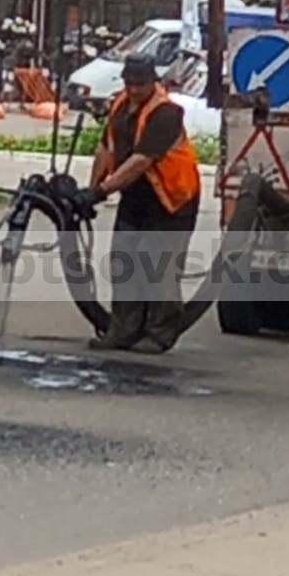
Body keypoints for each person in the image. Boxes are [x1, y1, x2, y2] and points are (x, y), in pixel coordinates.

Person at [75, 53, 202, 354]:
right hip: (136, 199)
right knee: (124, 261)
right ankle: (123, 330)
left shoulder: (167, 113)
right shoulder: (120, 106)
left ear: (153, 81)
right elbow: (107, 148)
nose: (134, 90)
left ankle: (160, 333)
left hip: (172, 201)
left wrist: (102, 191)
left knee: (157, 265)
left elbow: (140, 161)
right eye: (130, 83)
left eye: (141, 84)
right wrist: (91, 191)